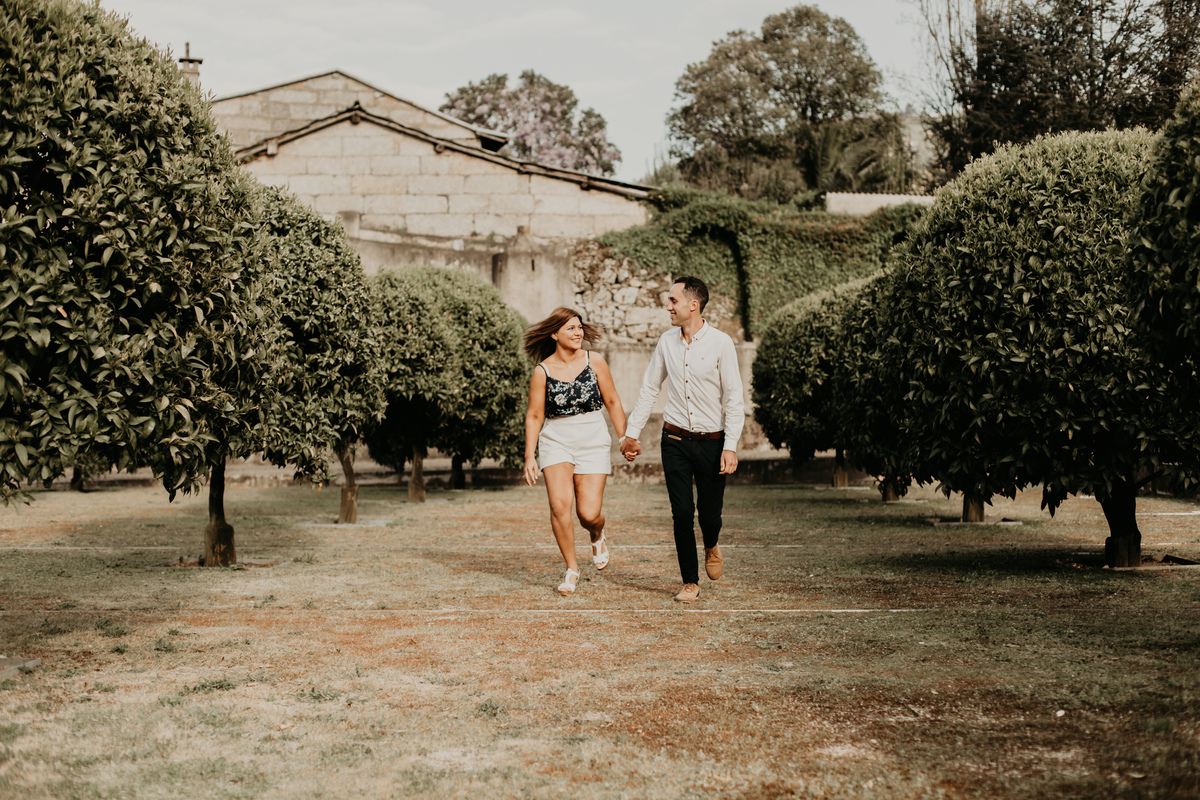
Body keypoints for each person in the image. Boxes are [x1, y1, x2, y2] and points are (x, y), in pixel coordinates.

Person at [620, 276, 744, 603]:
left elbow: (734, 399)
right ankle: (690, 581)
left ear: (693, 304)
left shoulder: (721, 343)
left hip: (712, 442)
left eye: (673, 300)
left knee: (709, 514)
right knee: (681, 512)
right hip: (673, 439)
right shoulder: (666, 342)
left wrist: (730, 445)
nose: (668, 306)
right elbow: (650, 388)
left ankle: (712, 543)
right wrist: (632, 434)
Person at [523, 307, 628, 596]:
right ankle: (572, 568)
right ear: (555, 334)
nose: (578, 332)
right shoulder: (542, 371)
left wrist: (624, 437)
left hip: (593, 437)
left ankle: (596, 533)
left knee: (588, 513)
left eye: (579, 327)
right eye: (571, 328)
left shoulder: (595, 361)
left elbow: (612, 400)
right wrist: (529, 455)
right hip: (556, 439)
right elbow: (534, 416)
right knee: (559, 506)